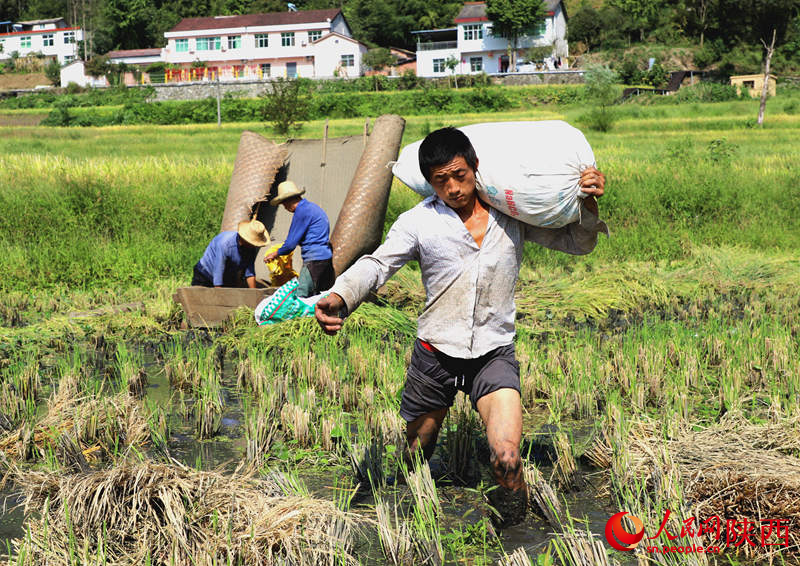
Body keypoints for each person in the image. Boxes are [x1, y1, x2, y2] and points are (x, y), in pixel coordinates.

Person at [315, 127, 607, 527]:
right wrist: (342, 296)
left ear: (475, 167)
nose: (453, 188)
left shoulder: (510, 214)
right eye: (440, 181)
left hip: (494, 352)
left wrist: (587, 203)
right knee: (418, 447)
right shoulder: (418, 222)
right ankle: (402, 510)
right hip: (436, 351)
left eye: (459, 175)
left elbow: (578, 242)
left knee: (506, 457)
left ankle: (512, 533)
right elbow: (379, 264)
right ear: (430, 183)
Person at [264, 180, 335, 298]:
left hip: (314, 260)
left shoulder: (301, 211)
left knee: (302, 296)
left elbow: (290, 244)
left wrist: (274, 254)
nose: (284, 208)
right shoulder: (312, 208)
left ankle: (301, 317)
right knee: (319, 297)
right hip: (325, 259)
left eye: (283, 204)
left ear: (287, 201)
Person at [192, 218, 270, 288]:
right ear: (244, 239)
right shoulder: (225, 244)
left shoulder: (250, 248)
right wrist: (220, 295)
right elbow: (218, 272)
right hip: (205, 273)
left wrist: (254, 294)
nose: (254, 246)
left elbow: (250, 273)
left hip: (227, 274)